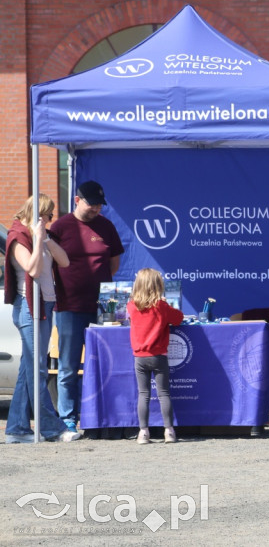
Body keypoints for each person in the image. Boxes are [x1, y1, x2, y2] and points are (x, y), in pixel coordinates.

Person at [49, 180, 125, 437]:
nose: (96, 209)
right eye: (91, 204)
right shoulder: (60, 227)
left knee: (105, 365)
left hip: (104, 308)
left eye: (99, 205)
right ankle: (68, 419)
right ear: (77, 200)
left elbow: (113, 264)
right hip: (69, 306)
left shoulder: (106, 226)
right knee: (68, 367)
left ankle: (101, 417)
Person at [3, 195, 75, 443]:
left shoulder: (43, 236)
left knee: (28, 369)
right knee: (37, 369)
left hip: (45, 304)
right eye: (48, 215)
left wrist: (45, 239)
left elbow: (64, 261)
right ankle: (51, 428)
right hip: (29, 306)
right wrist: (36, 239)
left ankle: (16, 429)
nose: (50, 220)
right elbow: (32, 269)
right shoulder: (18, 237)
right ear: (37, 213)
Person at [128, 268, 184, 444]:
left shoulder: (132, 306)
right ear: (158, 285)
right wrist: (167, 305)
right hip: (159, 356)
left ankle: (143, 433)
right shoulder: (162, 306)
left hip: (140, 357)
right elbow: (179, 318)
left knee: (143, 394)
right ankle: (169, 432)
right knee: (163, 393)